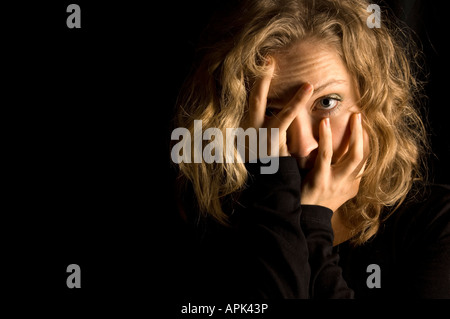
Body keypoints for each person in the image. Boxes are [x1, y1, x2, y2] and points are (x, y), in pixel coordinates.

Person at [169, 0, 450, 299]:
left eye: (327, 102)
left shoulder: (436, 224)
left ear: (372, 99)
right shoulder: (207, 222)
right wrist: (278, 189)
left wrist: (313, 224)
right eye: (272, 112)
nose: (303, 145)